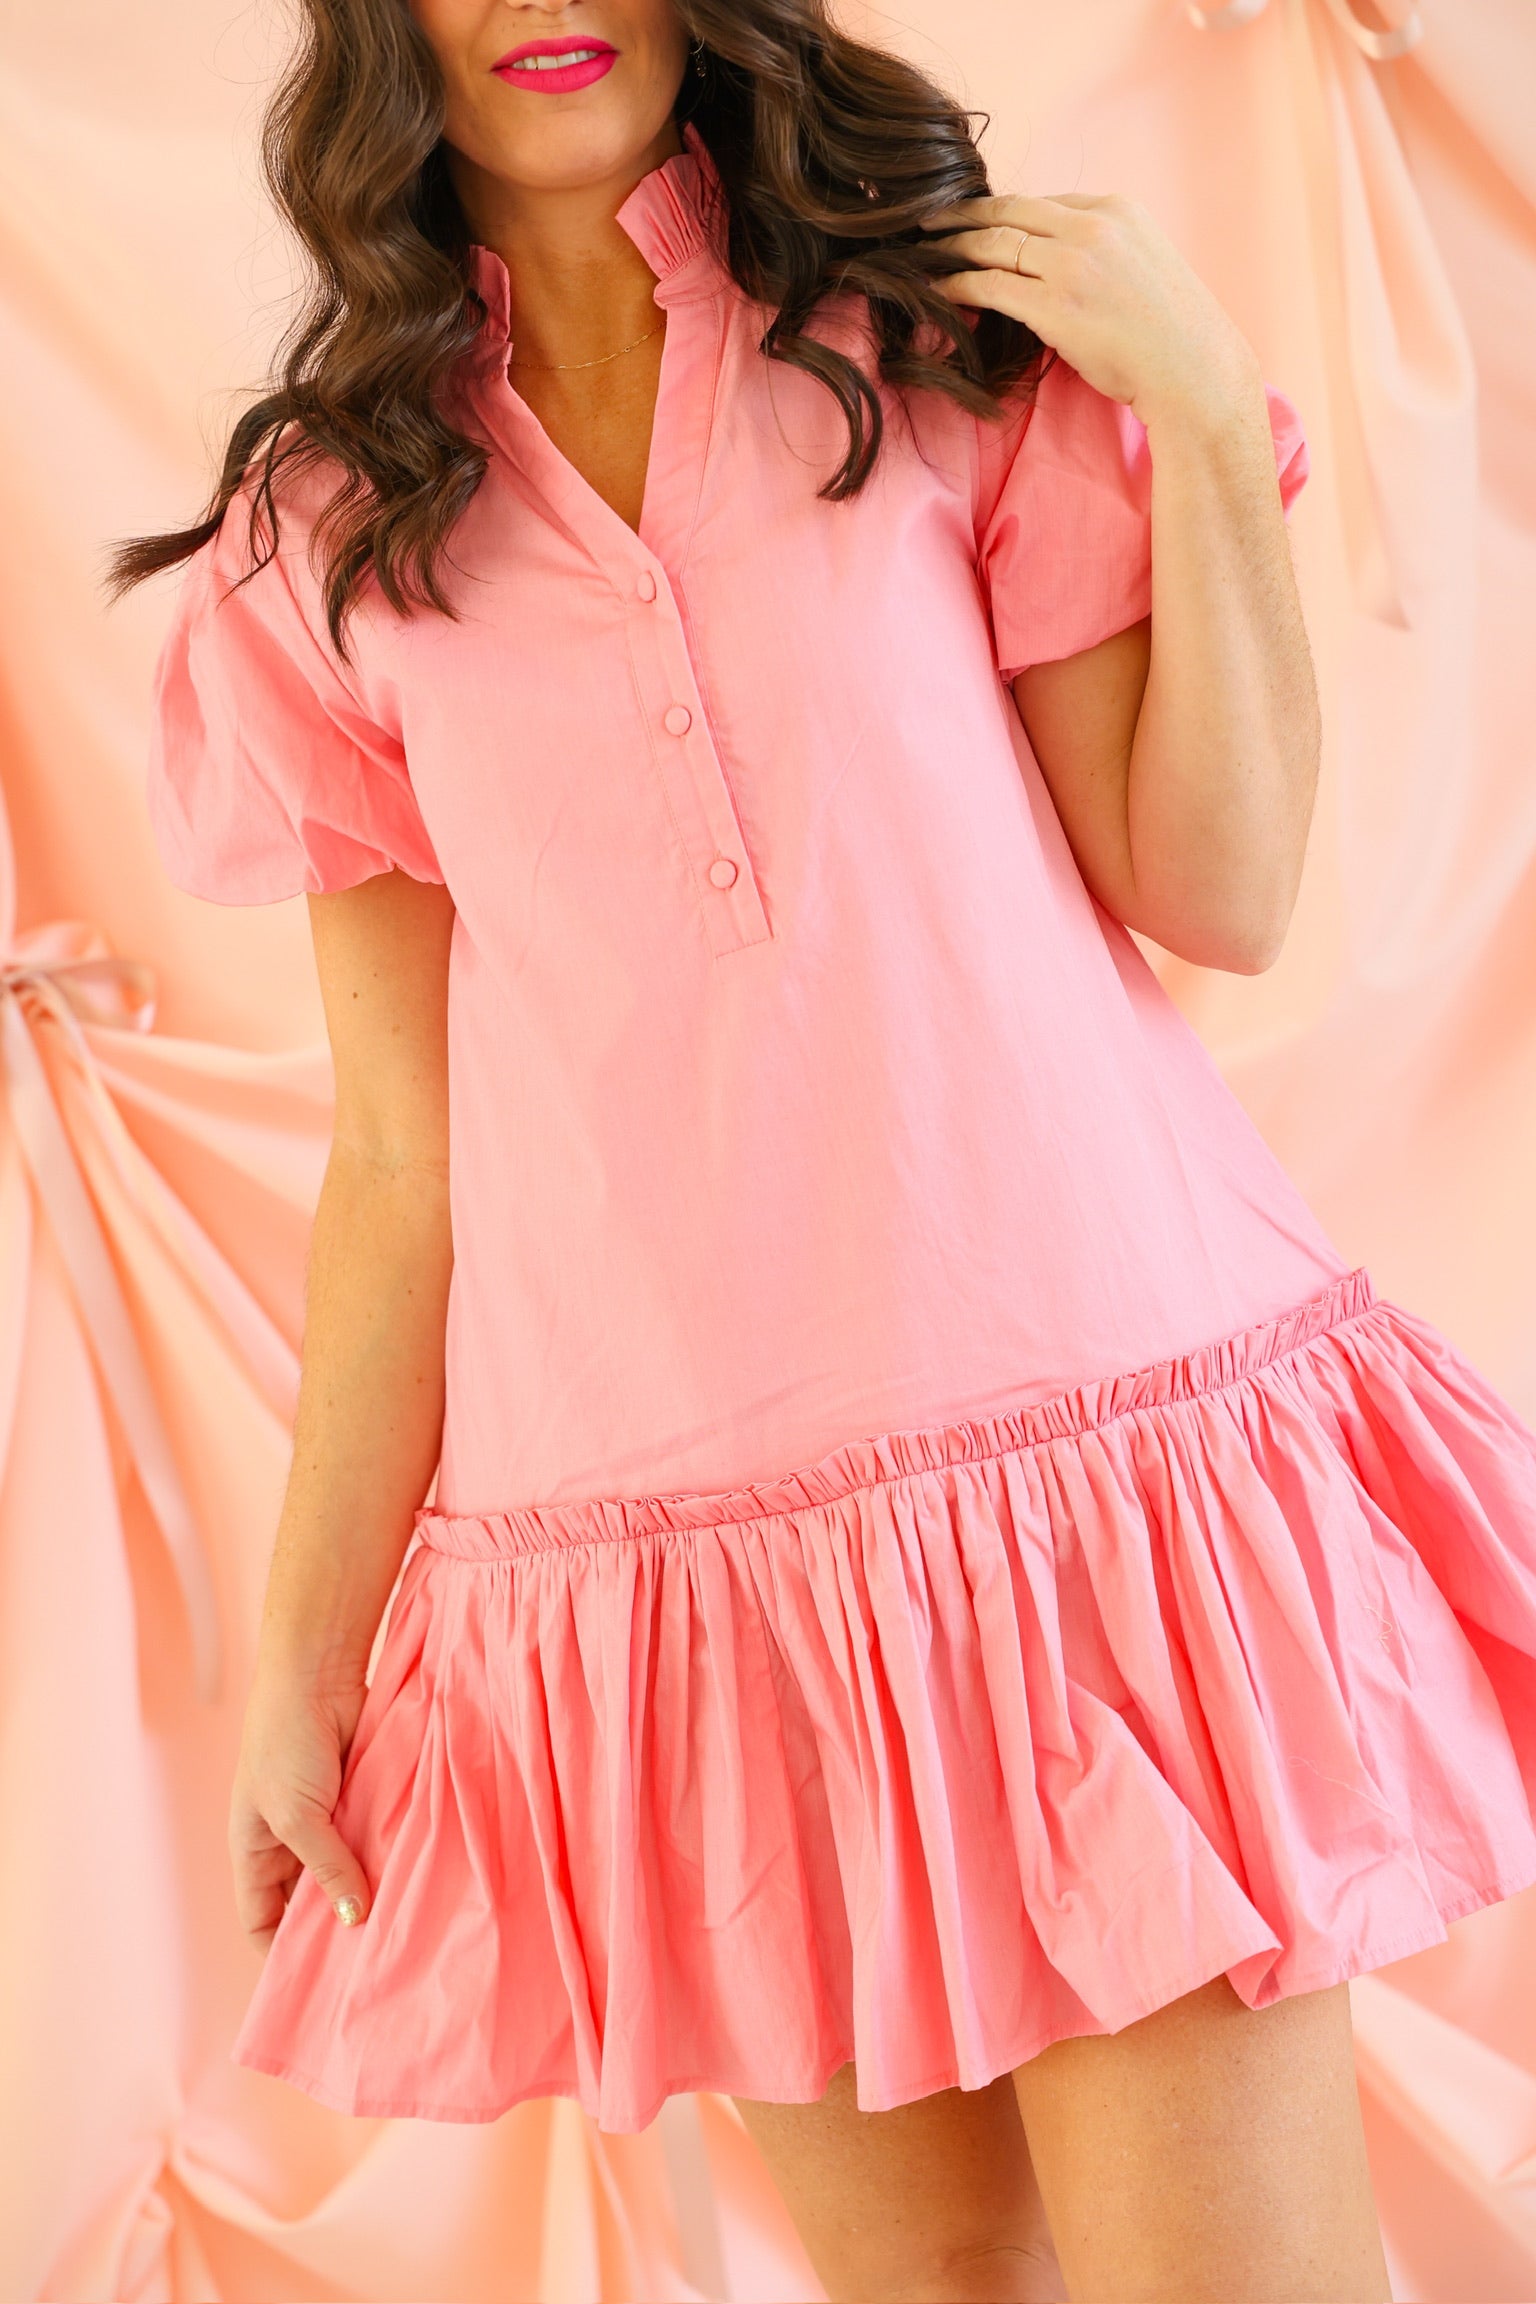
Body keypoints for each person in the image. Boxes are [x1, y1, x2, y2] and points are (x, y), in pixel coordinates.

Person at [117, 2, 1536, 2298]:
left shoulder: (925, 360)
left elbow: (1222, 887)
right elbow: (400, 1160)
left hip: (1093, 1510)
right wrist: (307, 1658)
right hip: (701, 1599)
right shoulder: (328, 537)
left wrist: (1190, 397)